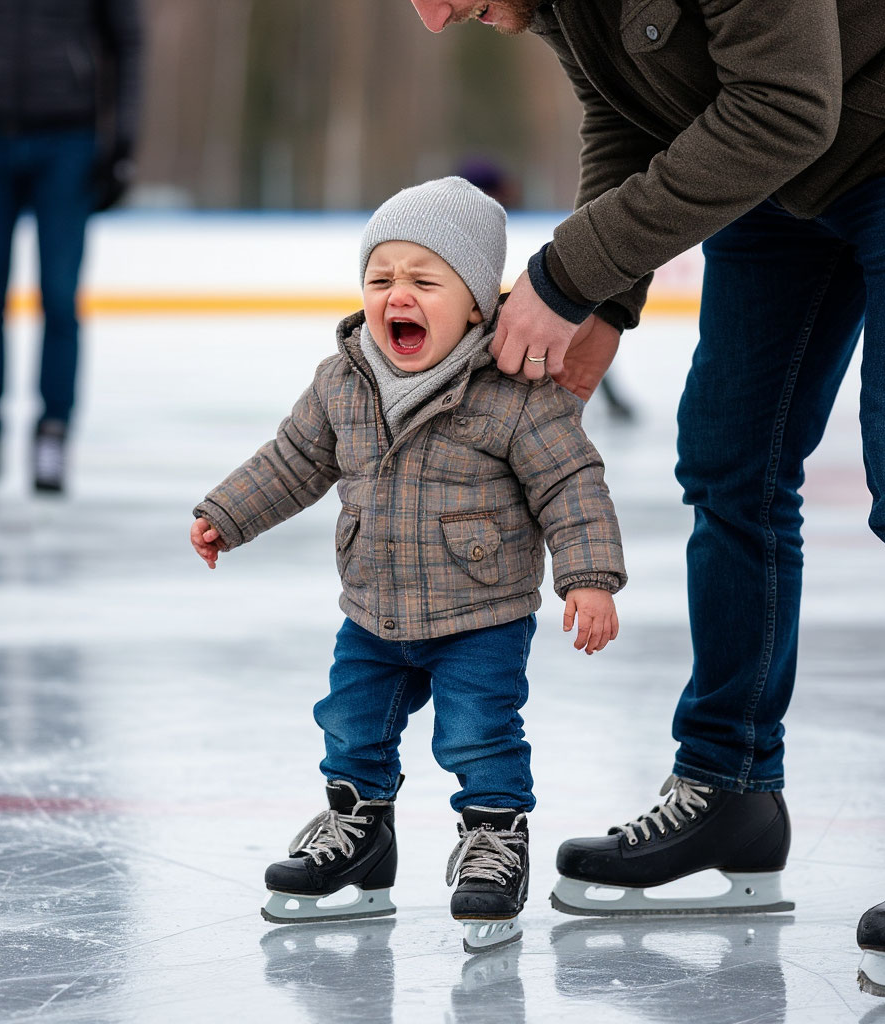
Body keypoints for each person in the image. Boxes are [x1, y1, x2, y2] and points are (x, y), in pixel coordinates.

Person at [407, 0, 885, 994]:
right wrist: (606, 297)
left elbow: (783, 103)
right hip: (783, 184)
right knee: (730, 465)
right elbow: (623, 112)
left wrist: (565, 273)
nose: (435, 18)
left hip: (877, 136)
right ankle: (730, 789)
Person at [190, 177, 626, 953]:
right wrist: (227, 512)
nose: (398, 294)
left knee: (479, 735)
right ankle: (359, 832)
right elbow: (293, 461)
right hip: (373, 609)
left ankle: (494, 843)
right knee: (351, 727)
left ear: (477, 305)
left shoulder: (518, 395)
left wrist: (588, 577)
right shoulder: (343, 380)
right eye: (381, 277)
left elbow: (571, 482)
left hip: (481, 615)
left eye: (425, 280)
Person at [0, 0, 143, 493]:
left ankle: (52, 436)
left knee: (59, 296)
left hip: (69, 138)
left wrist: (124, 138)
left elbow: (126, 37)